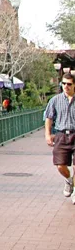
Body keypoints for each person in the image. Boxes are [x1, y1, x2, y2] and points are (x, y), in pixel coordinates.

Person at [45, 72, 75, 200]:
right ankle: (69, 180)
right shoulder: (55, 100)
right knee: (60, 165)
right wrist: (48, 134)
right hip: (61, 135)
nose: (66, 86)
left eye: (69, 84)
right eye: (63, 84)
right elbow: (49, 118)